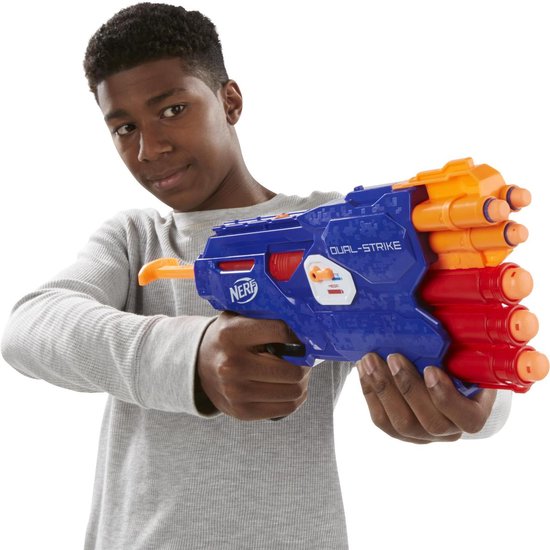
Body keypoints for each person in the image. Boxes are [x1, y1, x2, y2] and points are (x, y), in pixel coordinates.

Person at [1, 3, 511, 549]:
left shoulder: (330, 228)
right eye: (125, 127)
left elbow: (454, 338)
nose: (150, 148)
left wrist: (472, 395)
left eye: (173, 109)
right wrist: (193, 355)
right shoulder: (137, 240)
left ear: (230, 101)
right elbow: (29, 328)